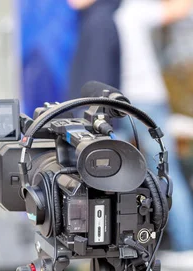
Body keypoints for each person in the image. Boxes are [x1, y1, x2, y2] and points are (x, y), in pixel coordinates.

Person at [115, 0, 193, 252]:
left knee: (155, 171)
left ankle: (184, 244)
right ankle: (184, 245)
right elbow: (175, 10)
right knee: (162, 171)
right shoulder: (130, 9)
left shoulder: (127, 9)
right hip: (139, 99)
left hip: (137, 99)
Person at [67, 0, 122, 101]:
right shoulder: (92, 18)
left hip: (88, 110)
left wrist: (83, 112)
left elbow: (99, 80)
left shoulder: (98, 22)